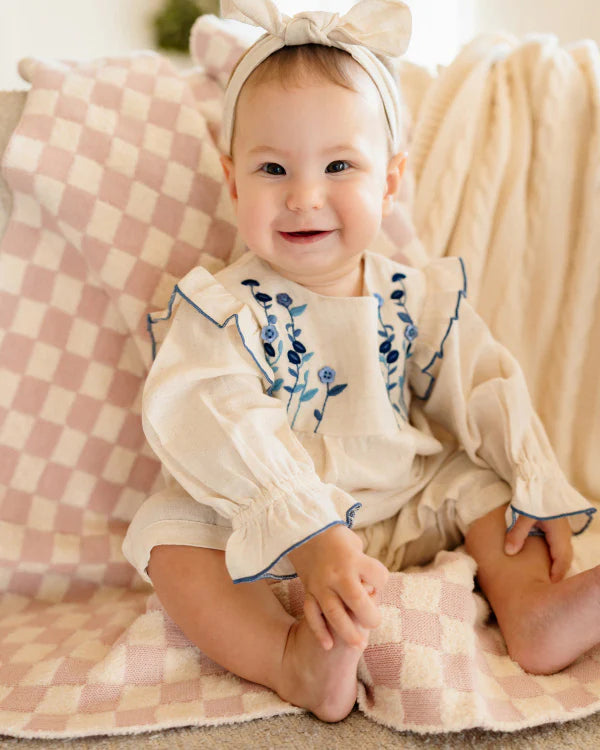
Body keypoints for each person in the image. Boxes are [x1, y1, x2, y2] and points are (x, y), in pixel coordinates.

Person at [122, 0, 599, 723]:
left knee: (483, 483)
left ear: (390, 180)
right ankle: (287, 656)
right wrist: (309, 531)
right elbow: (210, 411)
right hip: (270, 530)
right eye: (273, 168)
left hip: (403, 497)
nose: (304, 196)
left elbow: (482, 385)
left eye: (339, 165)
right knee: (170, 538)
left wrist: (536, 481)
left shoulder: (416, 296)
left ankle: (534, 609)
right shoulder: (223, 307)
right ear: (233, 181)